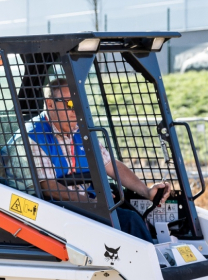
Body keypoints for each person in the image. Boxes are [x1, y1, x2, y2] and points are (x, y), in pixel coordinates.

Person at [22, 78, 171, 241]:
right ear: (50, 104)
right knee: (129, 222)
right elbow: (47, 186)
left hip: (87, 206)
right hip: (58, 213)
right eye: (70, 104)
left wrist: (146, 191)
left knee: (134, 214)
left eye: (79, 105)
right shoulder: (33, 135)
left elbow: (111, 166)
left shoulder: (80, 130)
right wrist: (91, 201)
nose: (76, 111)